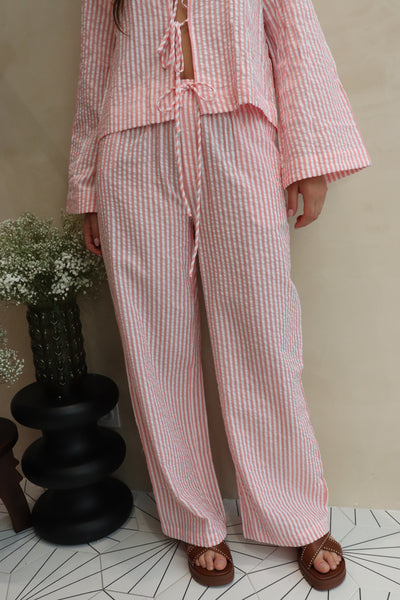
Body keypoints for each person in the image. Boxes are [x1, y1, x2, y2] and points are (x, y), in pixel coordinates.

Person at [66, 0, 371, 590]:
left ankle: (296, 513)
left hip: (239, 132)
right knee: (155, 343)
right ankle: (195, 519)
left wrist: (308, 160)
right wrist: (87, 186)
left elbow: (295, 38)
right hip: (132, 149)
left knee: (264, 334)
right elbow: (95, 59)